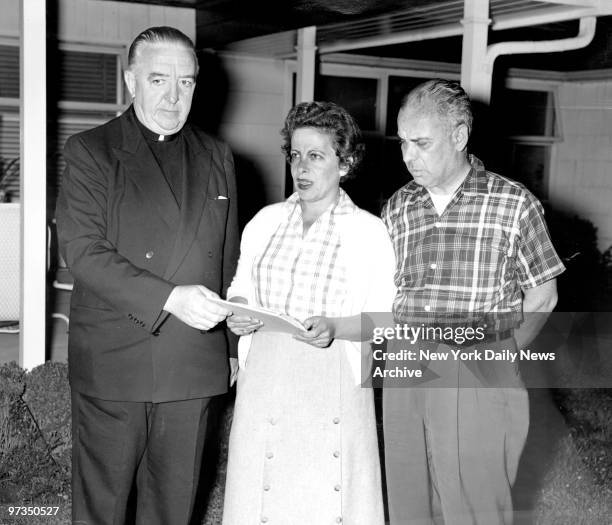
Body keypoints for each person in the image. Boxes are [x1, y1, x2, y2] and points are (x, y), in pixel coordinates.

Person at [56, 26, 239, 525]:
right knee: (103, 510)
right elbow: (83, 251)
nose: (173, 96)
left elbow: (225, 257)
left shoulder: (217, 155)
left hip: (193, 361)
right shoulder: (90, 150)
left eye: (185, 82)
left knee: (174, 510)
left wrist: (227, 348)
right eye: (159, 80)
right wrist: (169, 297)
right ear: (131, 80)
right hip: (117, 360)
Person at [381, 79, 565, 525]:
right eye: (403, 142)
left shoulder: (514, 203)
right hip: (407, 368)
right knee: (408, 500)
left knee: (476, 506)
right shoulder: (397, 206)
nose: (408, 155)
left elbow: (543, 294)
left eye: (421, 143)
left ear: (459, 136)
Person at [221, 101, 396, 525]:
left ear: (346, 162)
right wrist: (238, 313)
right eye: (295, 154)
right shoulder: (264, 222)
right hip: (265, 374)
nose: (301, 166)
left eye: (315, 155)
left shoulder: (369, 232)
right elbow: (240, 290)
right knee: (261, 495)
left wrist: (334, 327)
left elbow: (386, 323)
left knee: (322, 500)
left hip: (331, 376)